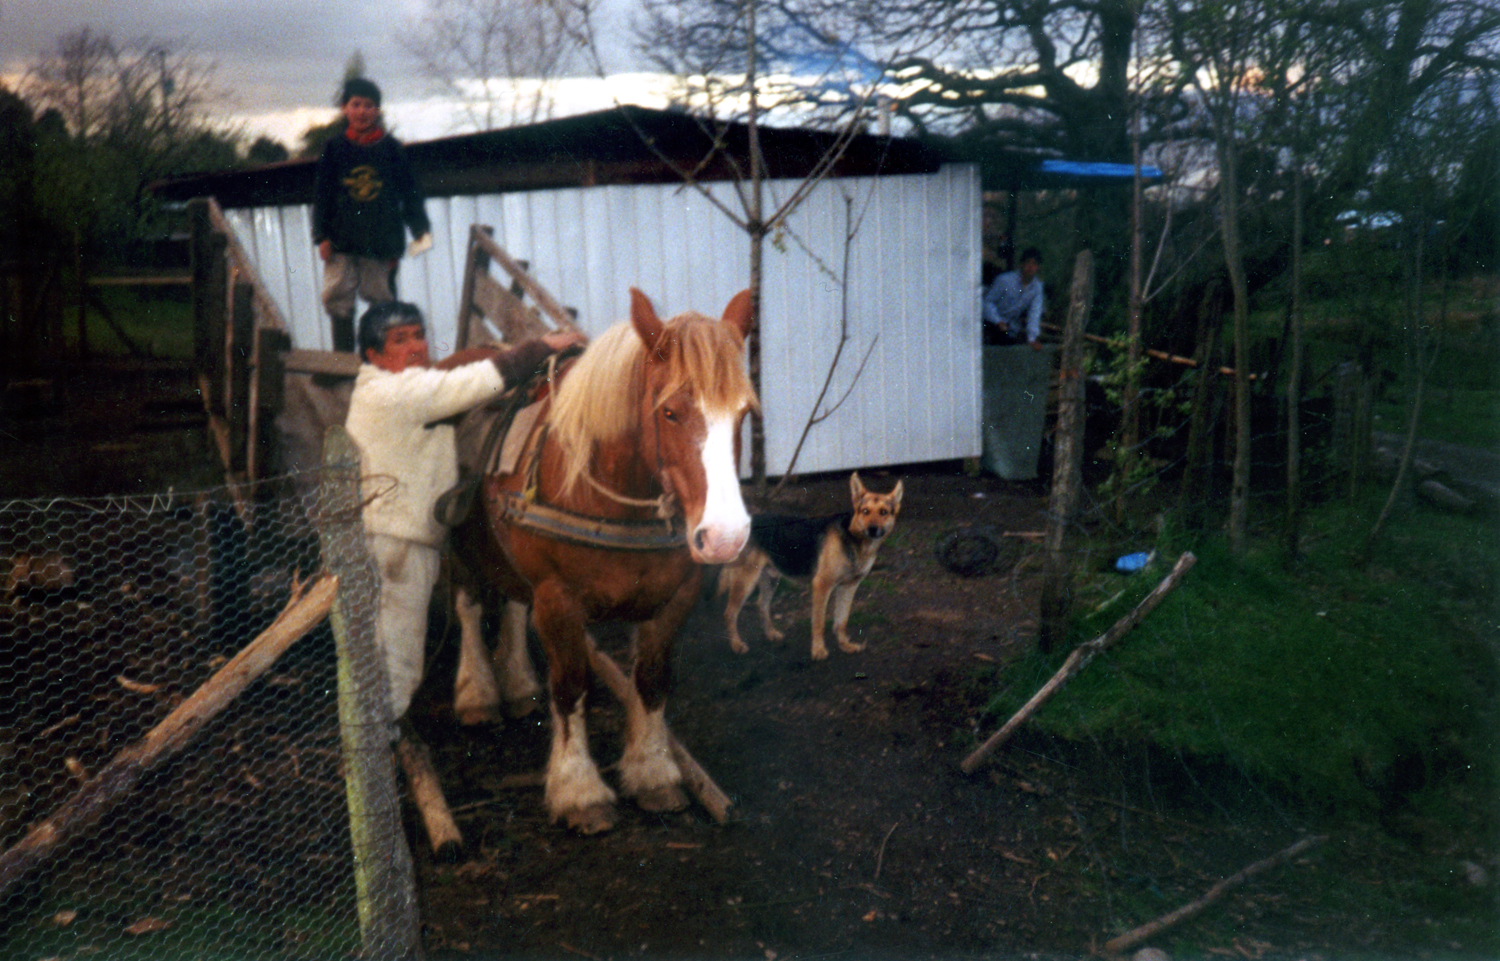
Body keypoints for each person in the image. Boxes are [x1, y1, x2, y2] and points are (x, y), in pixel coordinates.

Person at [344, 300, 586, 723]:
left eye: (419, 335)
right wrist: (542, 346)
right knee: (398, 655)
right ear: (373, 355)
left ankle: (373, 731)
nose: (417, 347)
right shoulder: (397, 393)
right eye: (400, 341)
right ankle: (373, 747)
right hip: (397, 541)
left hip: (391, 535)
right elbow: (475, 382)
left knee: (385, 644)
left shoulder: (389, 391)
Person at [312, 77, 432, 353]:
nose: (362, 111)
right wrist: (320, 236)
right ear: (345, 108)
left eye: (369, 105)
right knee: (337, 297)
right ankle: (341, 363)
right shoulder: (334, 148)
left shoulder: (392, 149)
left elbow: (409, 192)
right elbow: (322, 195)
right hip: (340, 240)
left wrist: (419, 228)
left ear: (377, 111)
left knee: (382, 302)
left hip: (380, 243)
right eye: (356, 104)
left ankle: (383, 359)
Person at [981, 246, 1046, 349]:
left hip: (1010, 329)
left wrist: (1032, 338)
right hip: (990, 323)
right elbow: (987, 303)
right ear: (1021, 264)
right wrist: (997, 321)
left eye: (1034, 264)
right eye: (1028, 262)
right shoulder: (1005, 280)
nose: (1030, 267)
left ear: (1038, 267)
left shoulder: (1037, 287)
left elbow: (1035, 313)